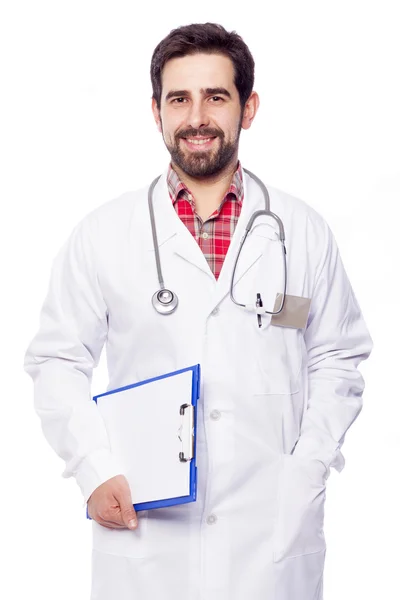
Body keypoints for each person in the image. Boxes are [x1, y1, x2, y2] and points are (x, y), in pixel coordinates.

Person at [23, 22, 373, 600]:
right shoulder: (105, 235)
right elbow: (57, 359)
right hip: (146, 523)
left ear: (248, 106)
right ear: (156, 111)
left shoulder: (301, 234)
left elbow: (337, 354)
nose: (197, 117)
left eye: (217, 96)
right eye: (179, 98)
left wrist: (309, 466)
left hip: (269, 531)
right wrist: (93, 466)